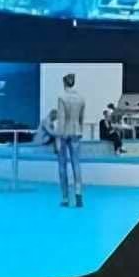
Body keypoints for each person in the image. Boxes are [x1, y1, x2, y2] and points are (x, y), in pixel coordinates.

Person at [55, 73, 85, 207]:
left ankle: (65, 198)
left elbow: (61, 119)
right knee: (76, 164)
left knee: (62, 165)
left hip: (64, 133)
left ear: (64, 83)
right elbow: (81, 118)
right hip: (76, 132)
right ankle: (78, 193)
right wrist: (80, 130)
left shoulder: (62, 97)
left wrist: (58, 138)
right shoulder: (81, 98)